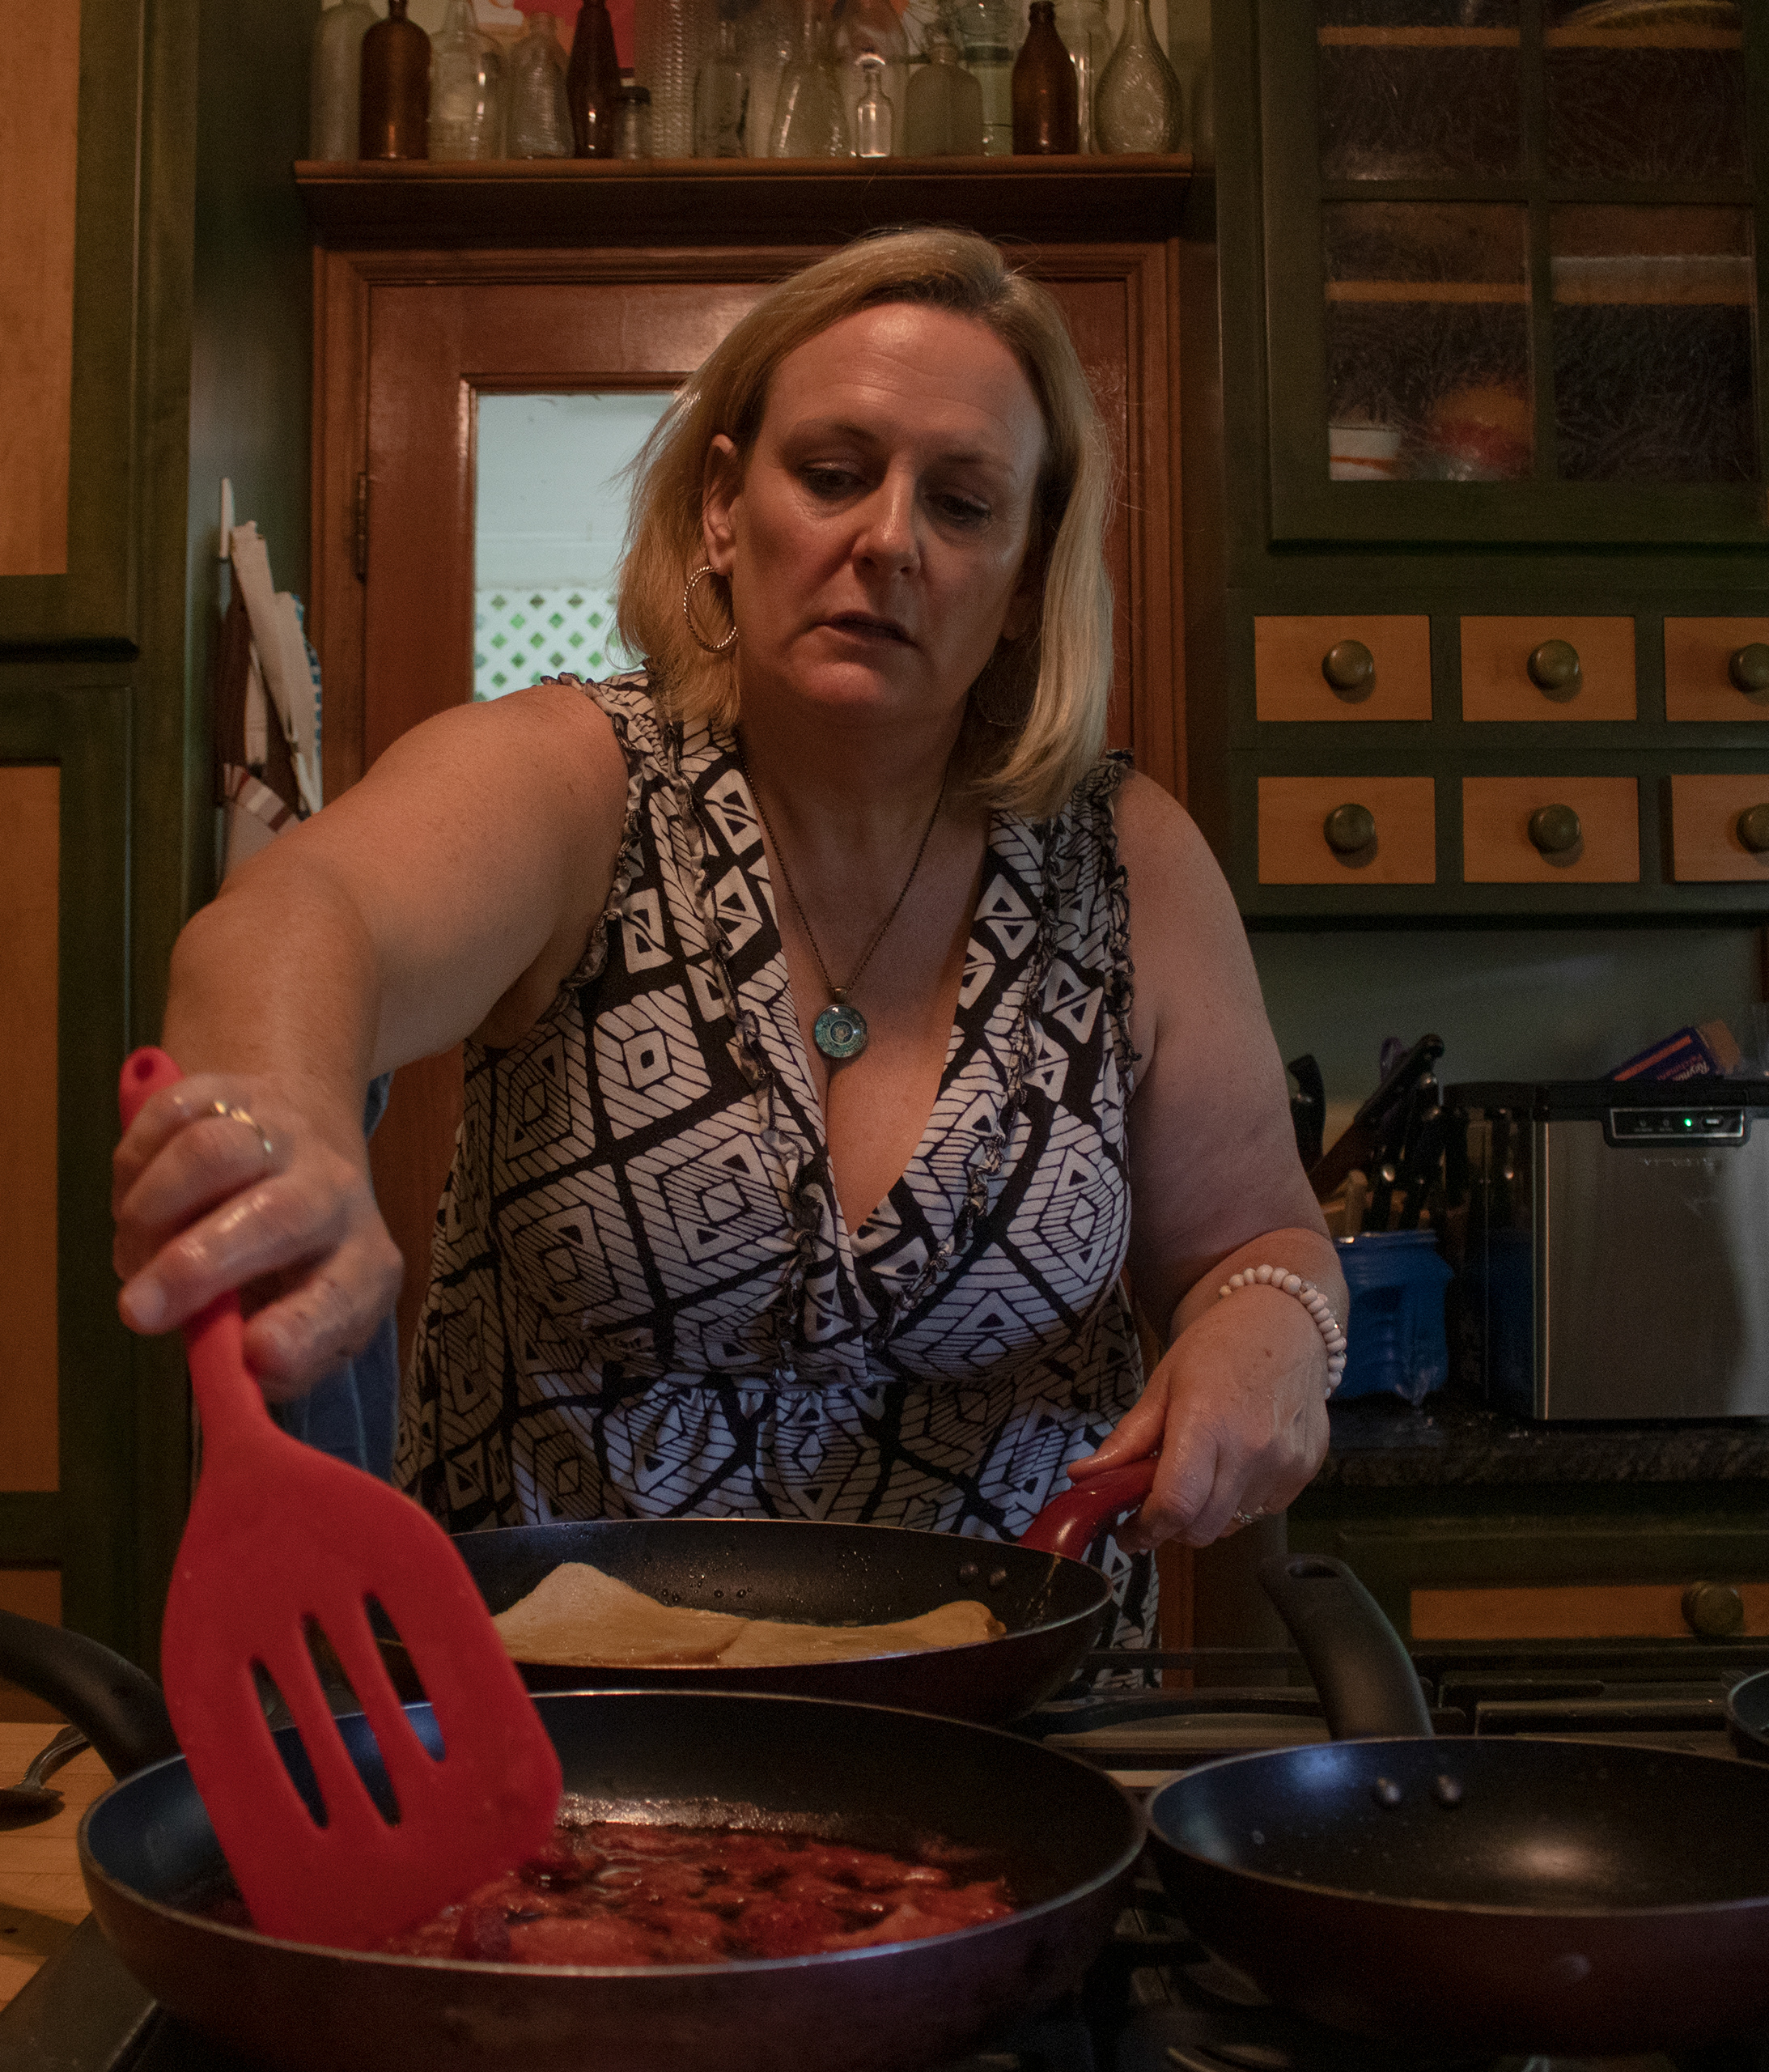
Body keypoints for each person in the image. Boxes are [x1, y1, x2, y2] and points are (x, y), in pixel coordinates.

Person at [112, 227, 1342, 1633]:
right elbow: (292, 917)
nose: (886, 539)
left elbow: (1261, 1236)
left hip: (1012, 1742)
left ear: (1023, 577)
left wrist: (1273, 1330)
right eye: (830, 475)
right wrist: (291, 1130)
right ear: (719, 508)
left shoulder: (1128, 864)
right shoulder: (579, 783)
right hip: (573, 1756)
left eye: (961, 504)